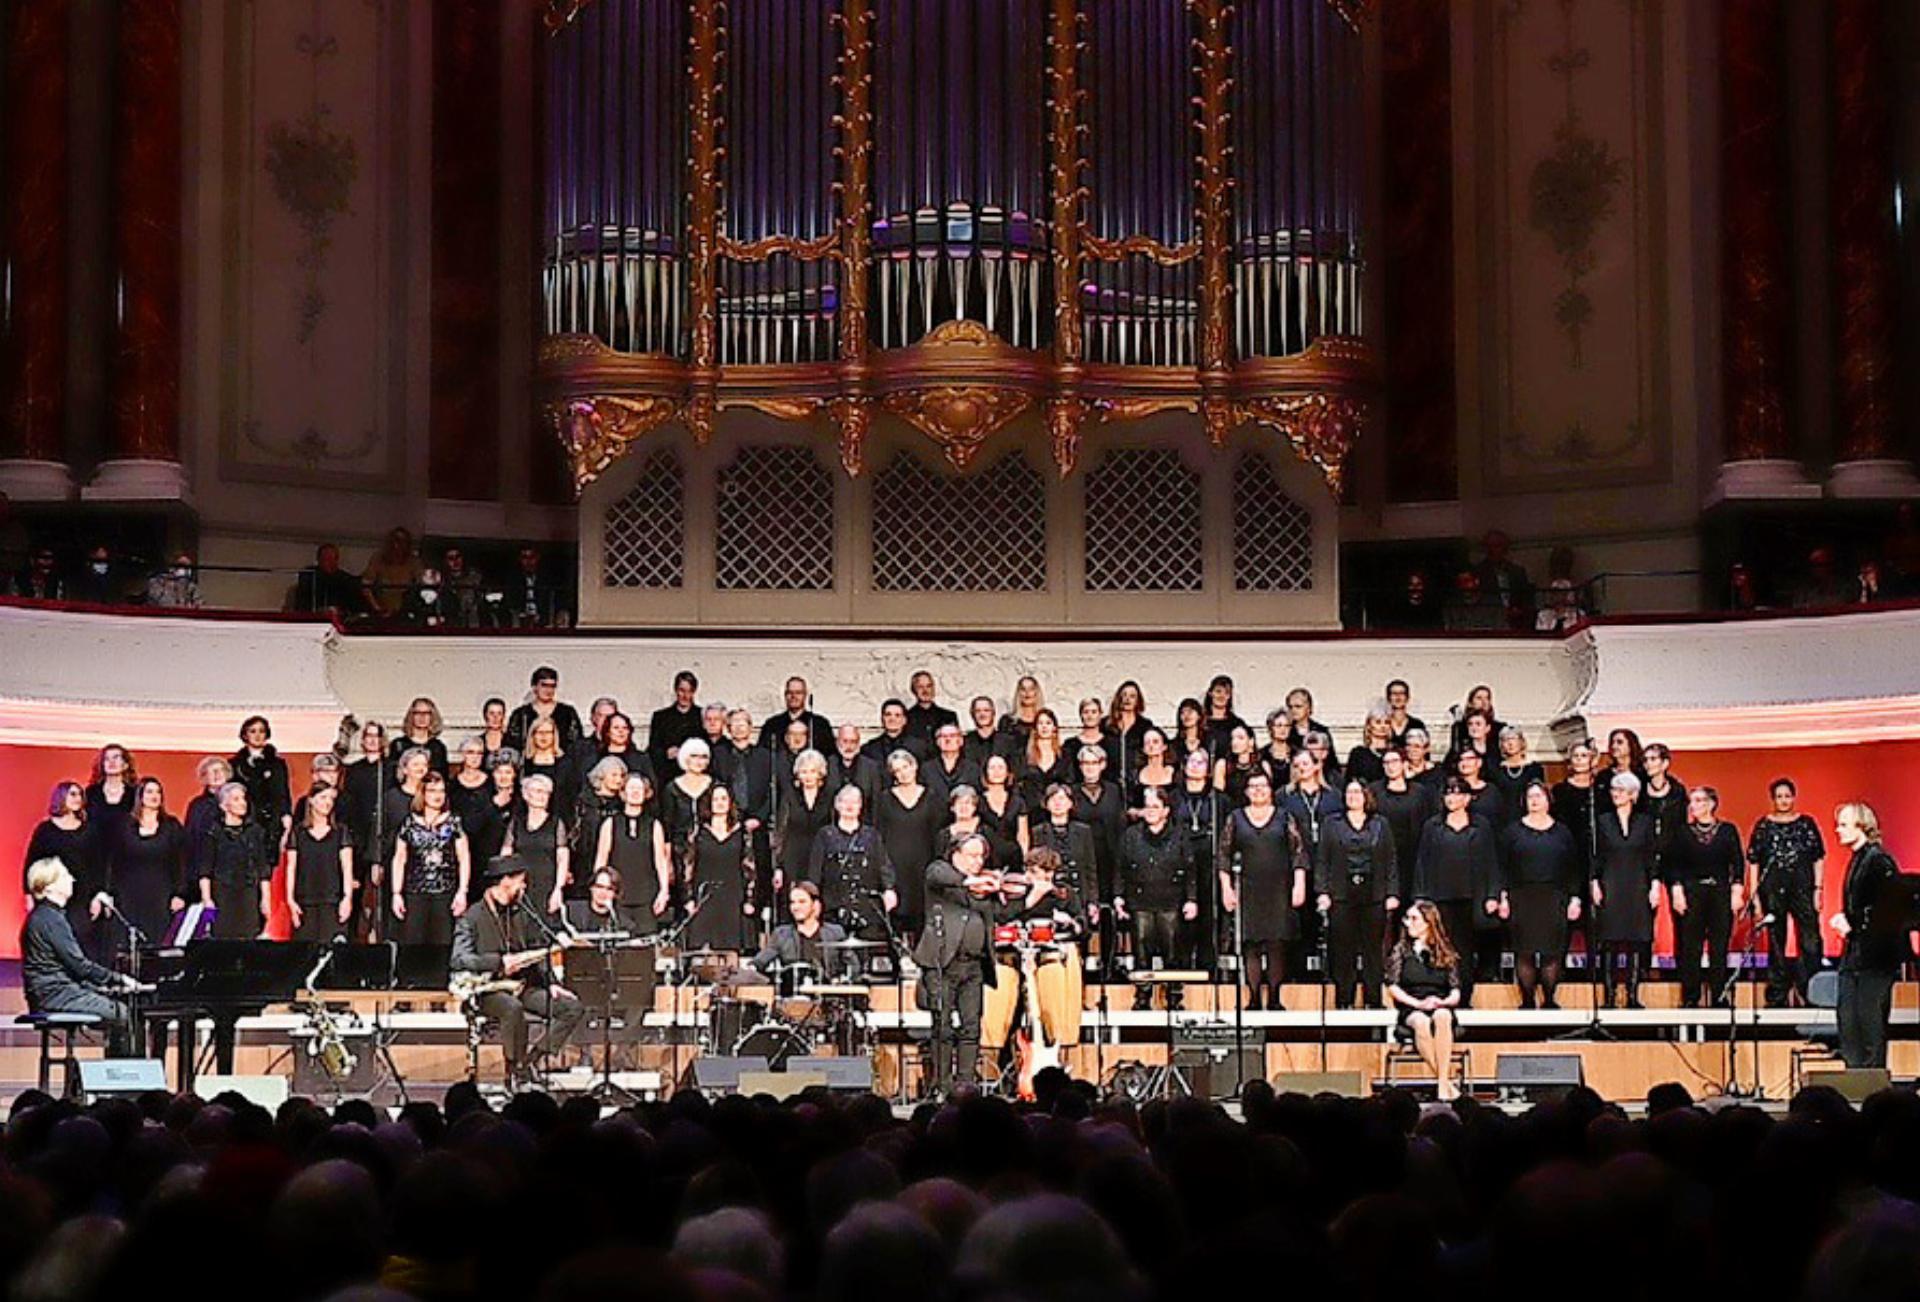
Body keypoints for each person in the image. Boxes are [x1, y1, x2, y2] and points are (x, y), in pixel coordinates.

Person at [450, 855, 586, 1089]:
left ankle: (529, 1062)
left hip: (523, 986)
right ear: (505, 881)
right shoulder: (472, 917)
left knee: (571, 1007)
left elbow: (538, 950)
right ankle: (513, 1069)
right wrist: (498, 962)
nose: (523, 886)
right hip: (489, 990)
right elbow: (459, 959)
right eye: (520, 881)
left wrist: (551, 983)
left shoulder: (522, 911)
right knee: (512, 1009)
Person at [981, 847, 1085, 1070]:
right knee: (1004, 1017)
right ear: (1028, 871)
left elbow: (1082, 926)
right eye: (1038, 874)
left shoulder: (1063, 894)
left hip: (1045, 960)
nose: (1044, 881)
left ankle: (1052, 1063)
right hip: (1011, 962)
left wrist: (1070, 922)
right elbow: (998, 917)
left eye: (1049, 876)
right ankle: (1001, 1067)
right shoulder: (1011, 891)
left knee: (1052, 1011)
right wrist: (1031, 898)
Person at [912, 833, 1001, 1095]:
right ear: (956, 854)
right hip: (943, 963)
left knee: (971, 1026)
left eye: (981, 856)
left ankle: (966, 1085)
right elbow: (937, 875)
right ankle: (943, 1085)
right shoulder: (941, 872)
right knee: (943, 1026)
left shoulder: (981, 887)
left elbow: (1001, 912)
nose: (977, 861)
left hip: (973, 966)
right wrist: (971, 881)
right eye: (972, 855)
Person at [21, 860, 137, 1056]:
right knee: (125, 1014)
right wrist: (118, 979)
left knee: (118, 1006)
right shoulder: (51, 919)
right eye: (65, 875)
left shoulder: (46, 916)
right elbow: (79, 966)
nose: (72, 879)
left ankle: (117, 1076)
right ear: (49, 887)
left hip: (54, 992)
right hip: (55, 996)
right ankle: (122, 1080)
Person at [1830, 802, 1911, 1069]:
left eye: (1843, 824)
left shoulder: (1879, 861)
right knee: (1849, 1023)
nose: (1837, 830)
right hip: (1856, 957)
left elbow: (1889, 910)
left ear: (1861, 826)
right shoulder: (1859, 859)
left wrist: (1852, 925)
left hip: (1875, 959)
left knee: (1869, 1025)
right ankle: (1855, 1083)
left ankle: (1872, 1090)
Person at [1218, 770, 1306, 1010]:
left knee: (1277, 942)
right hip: (1248, 887)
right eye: (1253, 786)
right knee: (1251, 944)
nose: (1258, 790)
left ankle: (1275, 997)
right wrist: (1227, 888)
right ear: (1246, 792)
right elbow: (1224, 855)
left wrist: (1299, 884)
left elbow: (1298, 854)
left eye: (1263, 786)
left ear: (1270, 790)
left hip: (1279, 887)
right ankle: (1254, 998)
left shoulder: (1284, 816)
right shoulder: (1235, 818)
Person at [1411, 777, 1500, 1002]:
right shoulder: (1432, 826)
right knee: (1441, 947)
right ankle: (1441, 993)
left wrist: (1493, 894)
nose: (1452, 798)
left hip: (1472, 896)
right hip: (1440, 897)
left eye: (1458, 793)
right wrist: (1420, 897)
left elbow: (1491, 860)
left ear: (1467, 798)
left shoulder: (1481, 825)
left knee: (1466, 951)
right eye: (1448, 794)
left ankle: (1464, 996)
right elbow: (1422, 862)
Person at [1315, 779, 1398, 1010]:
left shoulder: (1381, 824)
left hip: (1374, 893)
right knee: (1343, 949)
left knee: (1373, 949)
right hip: (1341, 893)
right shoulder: (1332, 823)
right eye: (1349, 792)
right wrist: (1322, 891)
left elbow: (1391, 860)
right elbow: (1322, 860)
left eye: (1357, 792)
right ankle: (1344, 1000)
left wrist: (1392, 892)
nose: (1352, 796)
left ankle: (1373, 999)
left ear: (1366, 796)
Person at [1498, 782, 1582, 1009]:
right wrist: (1503, 898)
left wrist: (1575, 898)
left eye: (1539, 796)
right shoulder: (1512, 832)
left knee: (1552, 952)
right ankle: (1526, 1001)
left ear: (1548, 800)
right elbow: (1501, 867)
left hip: (1554, 897)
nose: (1534, 801)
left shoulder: (1562, 832)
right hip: (1521, 897)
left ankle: (1550, 999)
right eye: (1530, 796)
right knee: (1523, 952)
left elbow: (1573, 868)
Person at [1747, 777, 1826, 1008]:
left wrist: (1818, 890)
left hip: (1802, 888)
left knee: (1810, 940)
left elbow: (1818, 858)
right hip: (1772, 889)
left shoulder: (1806, 824)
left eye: (1787, 796)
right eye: (1779, 796)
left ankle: (1810, 989)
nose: (1783, 800)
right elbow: (1753, 862)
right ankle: (1777, 994)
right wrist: (1755, 896)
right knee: (1776, 941)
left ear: (1794, 797)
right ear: (1773, 799)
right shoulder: (1764, 826)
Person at [1115, 788, 1197, 1009]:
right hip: (1140, 900)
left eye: (1155, 807)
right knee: (1141, 950)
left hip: (1171, 900)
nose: (1150, 811)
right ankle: (1143, 996)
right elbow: (1120, 869)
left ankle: (1173, 995)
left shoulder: (1180, 834)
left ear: (1166, 811)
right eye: (1147, 807)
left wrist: (1191, 899)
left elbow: (1190, 870)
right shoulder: (1131, 836)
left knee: (1172, 950)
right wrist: (1118, 896)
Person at [1667, 786, 1745, 1009]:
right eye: (1692, 801)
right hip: (1692, 892)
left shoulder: (1727, 830)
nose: (1694, 805)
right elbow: (1674, 865)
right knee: (1690, 947)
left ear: (1711, 804)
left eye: (1700, 800)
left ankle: (1719, 995)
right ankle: (1691, 996)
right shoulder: (1683, 833)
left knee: (1719, 947)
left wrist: (1737, 890)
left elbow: (1737, 862)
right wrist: (1677, 890)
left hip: (1719, 892)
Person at [1590, 772, 1659, 1009]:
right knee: (1610, 940)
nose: (1615, 795)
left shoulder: (1645, 822)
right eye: (1613, 790)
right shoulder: (1602, 821)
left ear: (1633, 795)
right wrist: (1594, 882)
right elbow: (1595, 856)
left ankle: (1631, 994)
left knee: (1636, 939)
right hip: (1611, 882)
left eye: (1620, 791)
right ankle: (1609, 998)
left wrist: (1655, 884)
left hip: (1637, 883)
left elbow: (1652, 856)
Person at [1385, 901, 1465, 1100]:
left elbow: (1455, 992)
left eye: (1414, 919)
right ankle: (1445, 1082)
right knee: (1421, 1021)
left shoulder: (1445, 952)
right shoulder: (1401, 951)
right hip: (1412, 1006)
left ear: (1428, 923)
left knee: (1443, 1016)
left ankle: (1442, 1084)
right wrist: (1417, 1004)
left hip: (1439, 1003)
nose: (1408, 923)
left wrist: (1443, 1002)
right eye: (1407, 918)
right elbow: (1393, 986)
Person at [102, 776, 188, 954]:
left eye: (158, 792)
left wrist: (179, 894)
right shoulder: (124, 825)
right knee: (128, 942)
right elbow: (113, 862)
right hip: (128, 895)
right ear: (140, 796)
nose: (154, 795)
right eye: (149, 791)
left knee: (159, 941)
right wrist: (108, 892)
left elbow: (180, 862)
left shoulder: (171, 826)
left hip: (161, 895)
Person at [23, 782, 105, 959]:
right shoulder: (45, 830)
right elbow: (32, 862)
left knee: (80, 940)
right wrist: (28, 895)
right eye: (72, 794)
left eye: (79, 795)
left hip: (82, 895)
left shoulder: (90, 830)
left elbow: (98, 866)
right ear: (61, 798)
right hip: (51, 894)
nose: (77, 799)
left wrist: (97, 895)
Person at [807, 786, 897, 946]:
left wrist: (889, 889)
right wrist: (813, 900)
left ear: (861, 806)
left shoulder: (871, 836)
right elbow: (815, 870)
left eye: (854, 802)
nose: (849, 806)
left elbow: (884, 864)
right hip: (833, 906)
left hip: (867, 906)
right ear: (837, 805)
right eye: (844, 801)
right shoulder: (825, 835)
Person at [389, 773, 471, 946]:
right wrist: (396, 893)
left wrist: (462, 891)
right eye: (432, 791)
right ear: (423, 794)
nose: (438, 795)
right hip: (415, 893)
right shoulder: (409, 823)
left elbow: (463, 857)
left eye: (441, 791)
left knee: (442, 945)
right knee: (414, 945)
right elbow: (399, 859)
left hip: (445, 894)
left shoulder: (453, 822)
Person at [595, 773, 671, 933]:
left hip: (647, 896)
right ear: (623, 793)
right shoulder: (610, 823)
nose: (635, 792)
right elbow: (601, 859)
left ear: (646, 793)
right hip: (617, 896)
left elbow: (660, 860)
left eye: (640, 789)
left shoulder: (654, 825)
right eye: (631, 788)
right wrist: (599, 890)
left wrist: (664, 891)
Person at [197, 782, 274, 940]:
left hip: (248, 894)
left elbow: (263, 868)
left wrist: (266, 899)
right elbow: (205, 869)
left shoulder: (255, 831)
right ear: (224, 805)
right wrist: (207, 899)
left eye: (243, 799)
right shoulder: (213, 832)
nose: (242, 803)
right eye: (236, 799)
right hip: (223, 894)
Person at [876, 752, 940, 937]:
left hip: (923, 865)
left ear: (915, 767)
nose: (903, 773)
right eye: (897, 770)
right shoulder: (885, 799)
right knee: (895, 917)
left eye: (906, 767)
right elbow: (879, 834)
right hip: (894, 865)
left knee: (922, 916)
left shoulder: (932, 797)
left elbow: (937, 833)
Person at [686, 785, 756, 951]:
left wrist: (749, 899)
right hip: (705, 896)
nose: (720, 803)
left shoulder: (742, 832)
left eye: (724, 799)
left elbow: (750, 868)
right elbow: (688, 866)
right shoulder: (697, 832)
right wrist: (689, 899)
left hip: (733, 896)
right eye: (715, 799)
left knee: (731, 950)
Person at [285, 783, 355, 942]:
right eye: (323, 797)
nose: (327, 802)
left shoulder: (340, 831)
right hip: (305, 901)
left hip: (333, 901)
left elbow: (347, 867)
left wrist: (347, 898)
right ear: (311, 801)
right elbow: (291, 868)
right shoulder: (298, 833)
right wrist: (291, 901)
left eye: (331, 798)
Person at [752, 880, 855, 980]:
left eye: (802, 902)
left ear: (815, 905)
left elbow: (854, 967)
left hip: (829, 993)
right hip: (795, 994)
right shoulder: (782, 934)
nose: (795, 907)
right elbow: (760, 962)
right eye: (792, 902)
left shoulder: (835, 932)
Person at [502, 773, 569, 918]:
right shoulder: (516, 823)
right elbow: (505, 856)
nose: (542, 796)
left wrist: (558, 889)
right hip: (520, 886)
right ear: (526, 795)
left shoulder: (556, 823)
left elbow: (563, 859)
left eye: (546, 792)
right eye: (538, 791)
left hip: (547, 886)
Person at [779, 750, 834, 894]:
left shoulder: (830, 796)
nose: (808, 776)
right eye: (804, 772)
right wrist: (778, 865)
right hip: (794, 856)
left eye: (812, 771)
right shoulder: (789, 796)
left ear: (820, 774)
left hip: (822, 856)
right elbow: (781, 830)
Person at [232, 715, 293, 834]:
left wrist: (286, 814)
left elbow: (283, 792)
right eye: (253, 731)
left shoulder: (277, 764)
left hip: (272, 820)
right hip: (245, 819)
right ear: (245, 735)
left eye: (262, 731)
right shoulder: (235, 765)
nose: (257, 735)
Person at [507, 666, 587, 755]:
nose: (548, 690)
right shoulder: (521, 714)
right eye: (544, 685)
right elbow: (512, 745)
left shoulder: (567, 713)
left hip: (562, 765)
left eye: (552, 686)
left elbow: (577, 743)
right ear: (534, 687)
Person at [647, 670, 704, 783]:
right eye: (682, 690)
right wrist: (665, 753)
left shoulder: (701, 716)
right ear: (675, 690)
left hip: (695, 775)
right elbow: (653, 748)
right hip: (668, 774)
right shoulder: (661, 717)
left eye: (689, 691)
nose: (685, 696)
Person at [758, 676, 834, 753]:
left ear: (805, 695)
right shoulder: (772, 725)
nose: (793, 696)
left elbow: (830, 754)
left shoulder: (820, 724)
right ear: (785, 695)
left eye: (798, 693)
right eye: (790, 693)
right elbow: (762, 753)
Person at [296, 543, 371, 617]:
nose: (328, 562)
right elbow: (303, 601)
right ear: (318, 560)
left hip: (340, 618)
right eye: (325, 559)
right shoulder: (309, 575)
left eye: (331, 559)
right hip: (313, 618)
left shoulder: (345, 579)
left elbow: (354, 602)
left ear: (337, 560)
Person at [361, 526, 422, 616]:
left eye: (402, 542)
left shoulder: (414, 561)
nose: (397, 546)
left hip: (406, 610)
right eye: (395, 541)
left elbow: (421, 584)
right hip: (381, 607)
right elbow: (366, 585)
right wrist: (377, 607)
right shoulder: (377, 559)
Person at [826, 724, 886, 814]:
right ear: (837, 742)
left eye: (853, 741)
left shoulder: (872, 767)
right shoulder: (826, 765)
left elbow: (876, 802)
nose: (849, 746)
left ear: (859, 743)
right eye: (845, 741)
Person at [388, 698, 451, 776]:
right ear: (411, 716)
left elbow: (443, 777)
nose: (422, 717)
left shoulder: (438, 747)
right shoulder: (398, 745)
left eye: (426, 713)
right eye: (418, 713)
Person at [862, 700, 931, 766]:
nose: (892, 719)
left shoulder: (920, 747)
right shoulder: (869, 749)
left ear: (904, 720)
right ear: (882, 719)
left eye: (897, 715)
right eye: (888, 714)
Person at [1344, 706, 1395, 786]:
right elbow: (1350, 781)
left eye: (1387, 722)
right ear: (1369, 726)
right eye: (1378, 722)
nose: (1383, 726)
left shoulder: (1396, 752)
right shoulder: (1358, 754)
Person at [904, 671, 960, 742]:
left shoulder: (949, 717)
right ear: (913, 690)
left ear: (933, 689)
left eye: (929, 686)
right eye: (920, 687)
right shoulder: (905, 718)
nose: (925, 690)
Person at [1383, 680, 1427, 747]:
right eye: (1394, 693)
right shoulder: (1381, 724)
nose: (1398, 697)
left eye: (1402, 693)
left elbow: (1424, 751)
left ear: (1407, 698)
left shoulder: (1417, 724)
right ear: (1388, 698)